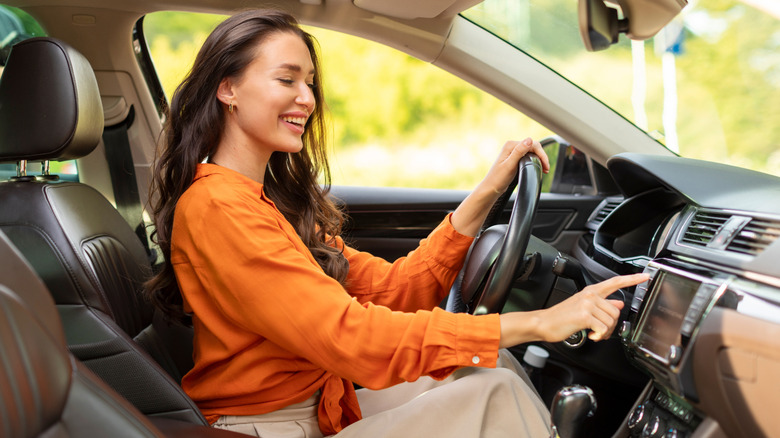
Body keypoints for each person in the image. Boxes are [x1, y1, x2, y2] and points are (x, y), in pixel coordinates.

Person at [145, 9, 648, 438]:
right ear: (228, 88)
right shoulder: (218, 207)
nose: (308, 99)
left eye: (310, 83)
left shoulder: (269, 203)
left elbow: (392, 289)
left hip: (317, 410)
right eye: (287, 79)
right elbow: (351, 337)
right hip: (269, 428)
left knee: (492, 370)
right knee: (492, 391)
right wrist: (537, 322)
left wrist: (489, 191)